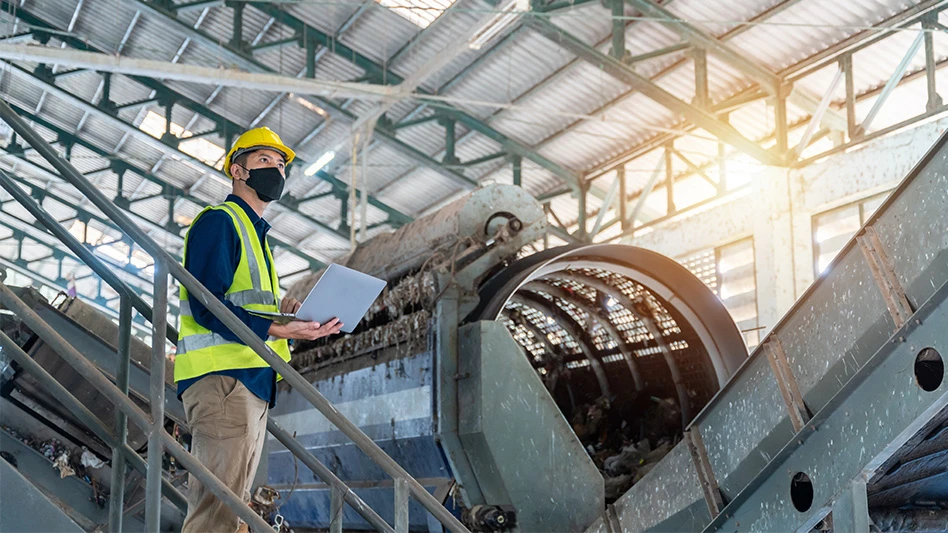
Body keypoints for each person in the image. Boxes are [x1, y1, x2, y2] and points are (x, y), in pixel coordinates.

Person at [174, 127, 343, 533]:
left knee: (231, 516)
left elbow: (245, 306)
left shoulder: (258, 238)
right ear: (238, 171)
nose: (277, 170)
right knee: (215, 515)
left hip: (248, 383)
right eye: (265, 160)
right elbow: (207, 304)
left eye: (282, 164)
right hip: (223, 383)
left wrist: (285, 316)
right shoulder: (220, 222)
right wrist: (279, 330)